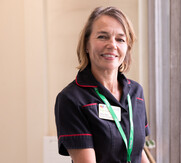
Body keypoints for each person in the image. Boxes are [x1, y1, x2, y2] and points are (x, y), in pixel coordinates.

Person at [54, 6, 150, 163]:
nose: (112, 45)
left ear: (127, 47)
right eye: (102, 37)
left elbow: (138, 153)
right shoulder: (71, 99)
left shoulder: (136, 93)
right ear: (86, 44)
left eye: (120, 39)